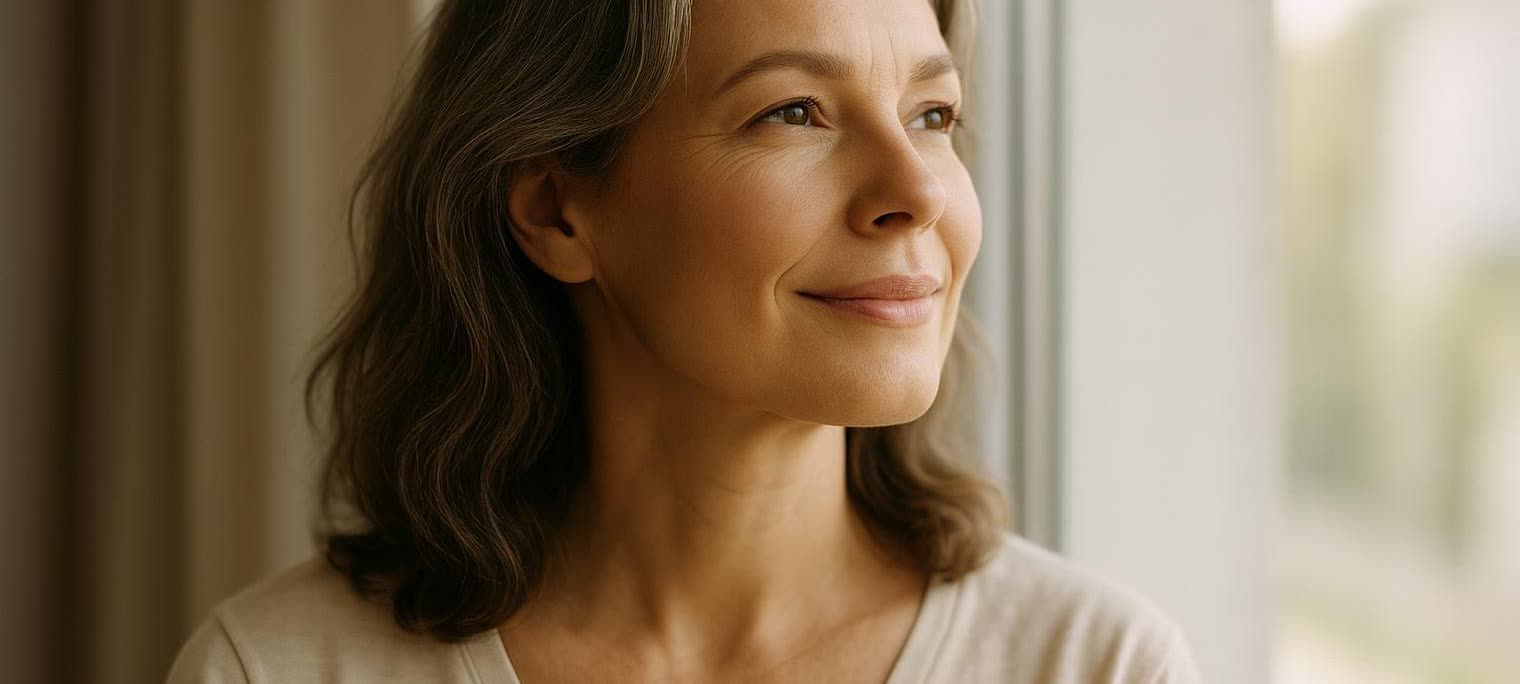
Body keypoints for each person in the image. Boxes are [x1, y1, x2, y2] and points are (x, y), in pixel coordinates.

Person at [167, 0, 1202, 681]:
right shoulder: (274, 670)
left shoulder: (1096, 666)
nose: (916, 191)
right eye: (794, 112)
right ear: (556, 209)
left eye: (932, 116)